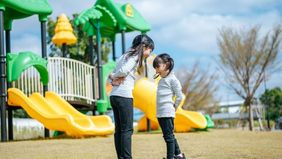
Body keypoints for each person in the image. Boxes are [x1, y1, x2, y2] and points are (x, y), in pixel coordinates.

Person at [109, 34, 154, 159]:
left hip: (114, 96)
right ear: (144, 46)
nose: (150, 53)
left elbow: (112, 73)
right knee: (127, 130)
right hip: (124, 96)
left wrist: (113, 78)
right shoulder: (135, 57)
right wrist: (117, 76)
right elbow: (123, 71)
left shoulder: (124, 56)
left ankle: (121, 157)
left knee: (119, 130)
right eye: (150, 49)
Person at [153, 53, 186, 159]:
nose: (156, 70)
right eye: (155, 68)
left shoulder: (173, 79)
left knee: (168, 137)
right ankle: (179, 155)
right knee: (169, 136)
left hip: (167, 112)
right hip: (161, 113)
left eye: (157, 67)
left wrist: (174, 107)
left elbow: (180, 96)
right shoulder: (162, 80)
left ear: (166, 65)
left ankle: (170, 157)